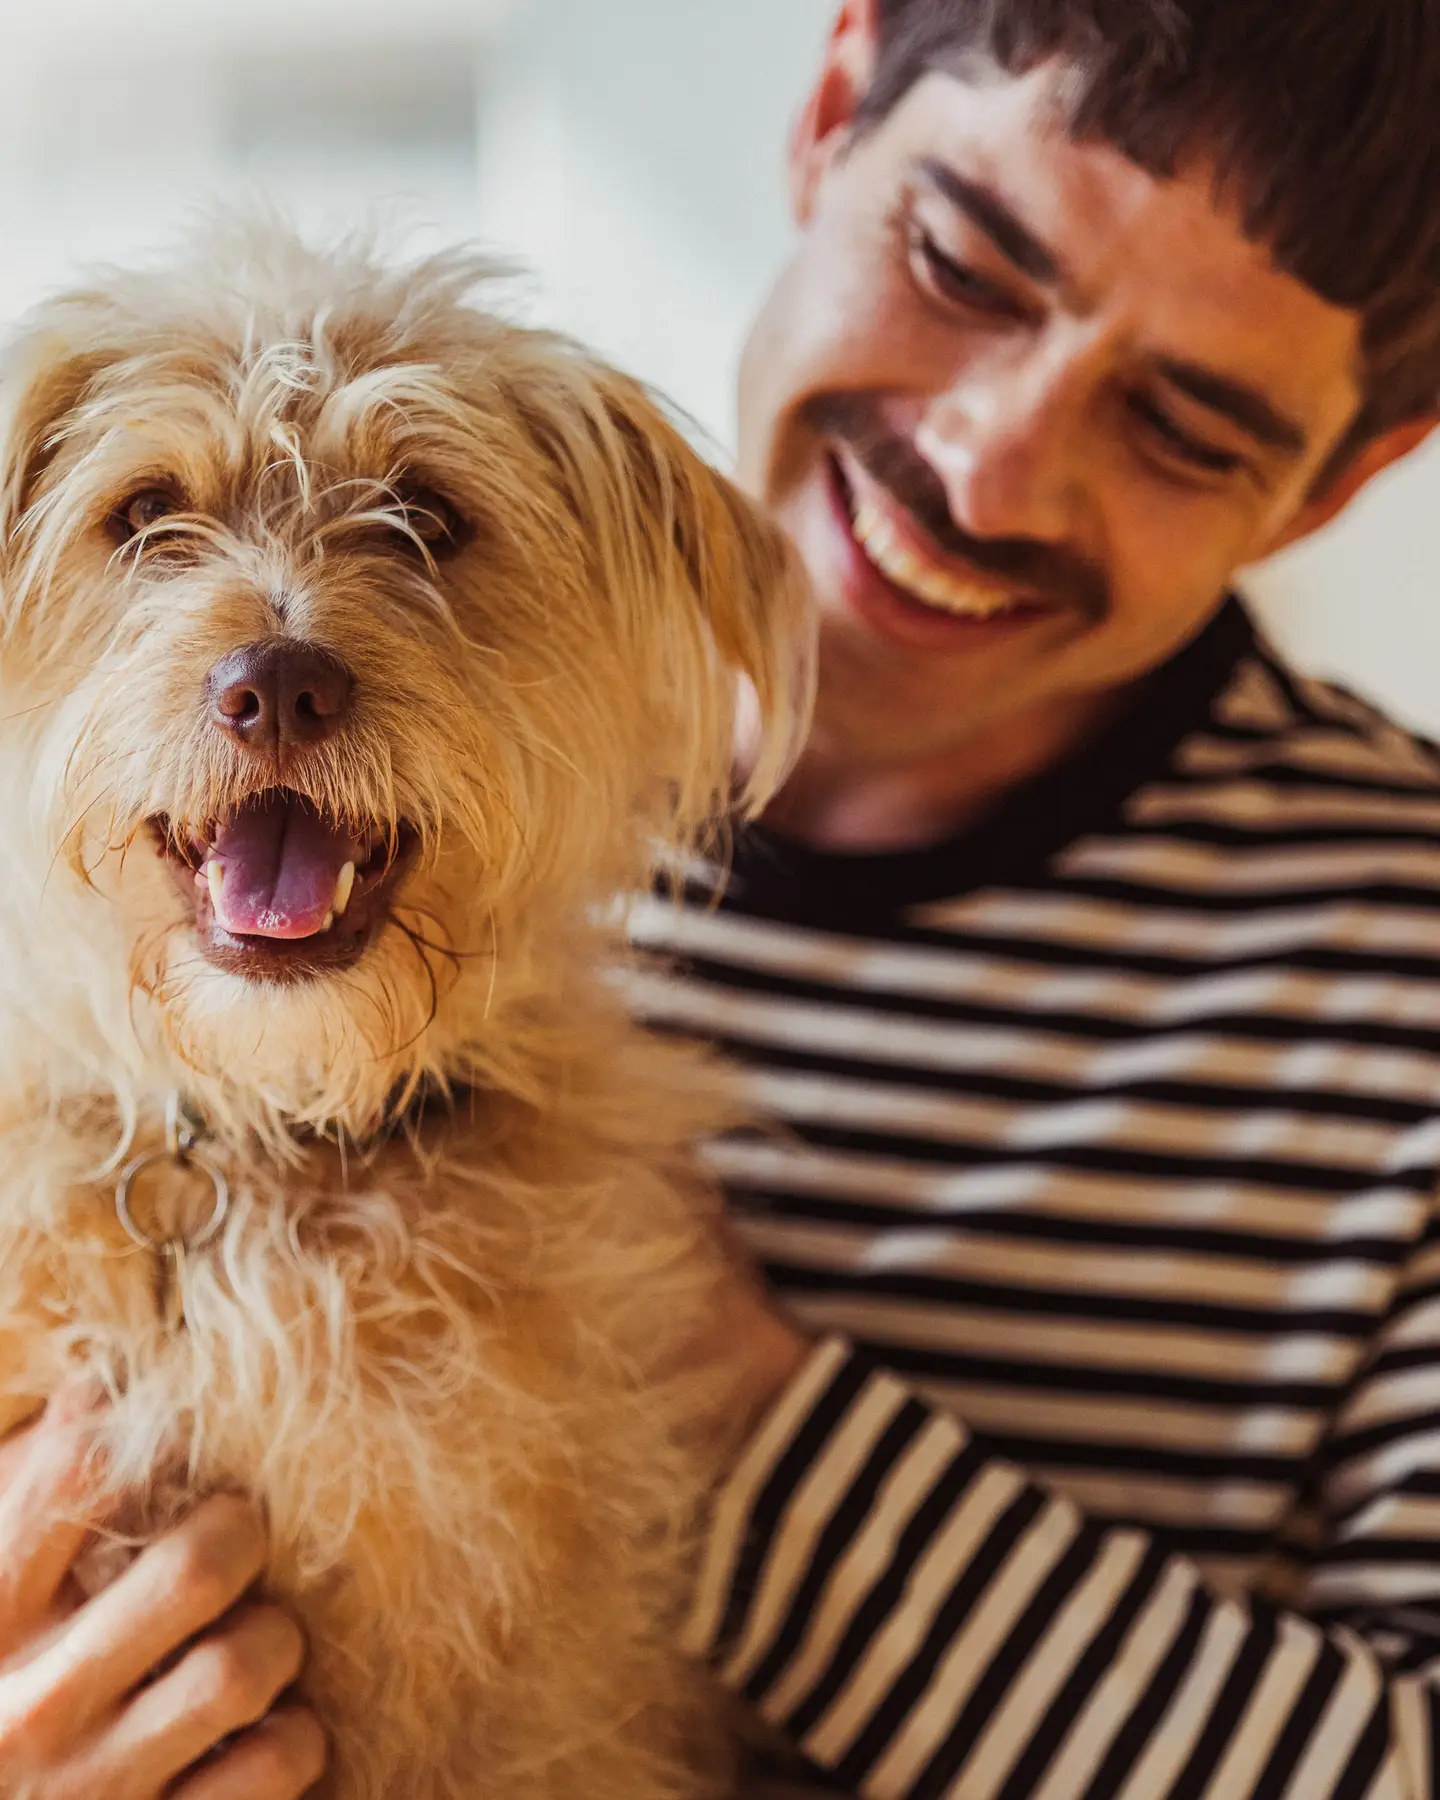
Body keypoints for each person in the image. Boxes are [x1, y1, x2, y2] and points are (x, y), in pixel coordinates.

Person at [2, 0, 1439, 1794]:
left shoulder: (1408, 974)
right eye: (962, 263)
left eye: (1181, 423)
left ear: (1350, 475)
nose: (987, 463)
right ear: (831, 104)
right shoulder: (198, 865)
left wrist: (724, 1393)